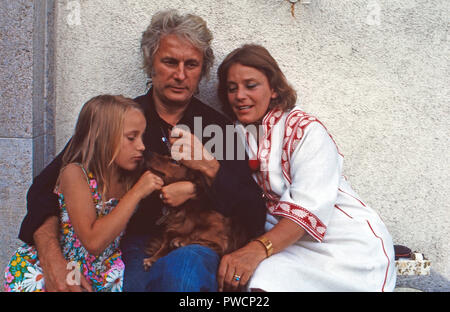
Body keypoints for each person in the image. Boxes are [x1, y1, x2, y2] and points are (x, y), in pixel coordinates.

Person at [17, 11, 266, 292]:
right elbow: (43, 190)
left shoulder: (217, 128)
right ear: (150, 64)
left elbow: (253, 213)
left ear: (202, 70)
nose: (181, 75)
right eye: (170, 62)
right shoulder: (119, 120)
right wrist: (54, 262)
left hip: (197, 241)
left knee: (183, 276)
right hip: (135, 242)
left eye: (192, 64)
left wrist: (208, 167)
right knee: (134, 284)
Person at [216, 44, 397, 292]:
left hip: (347, 246)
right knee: (259, 282)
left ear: (275, 90)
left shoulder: (305, 129)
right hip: (288, 247)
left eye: (251, 85)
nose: (239, 95)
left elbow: (307, 208)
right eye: (232, 88)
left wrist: (256, 250)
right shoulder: (234, 135)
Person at [4, 95, 165, 292]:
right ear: (103, 137)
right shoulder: (75, 174)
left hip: (104, 271)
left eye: (142, 136)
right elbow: (93, 241)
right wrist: (138, 192)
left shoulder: (130, 176)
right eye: (132, 137)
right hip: (65, 266)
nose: (141, 145)